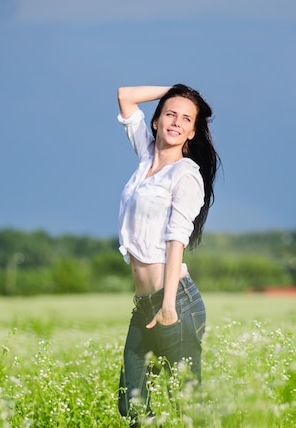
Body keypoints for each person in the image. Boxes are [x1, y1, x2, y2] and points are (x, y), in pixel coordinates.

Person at [116, 84, 220, 426]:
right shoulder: (146, 158)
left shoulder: (186, 175)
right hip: (145, 304)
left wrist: (169, 305)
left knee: (186, 406)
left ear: (192, 132)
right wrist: (176, 89)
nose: (176, 122)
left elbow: (177, 241)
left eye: (186, 119)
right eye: (170, 114)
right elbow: (125, 96)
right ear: (157, 121)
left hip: (175, 302)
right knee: (132, 405)